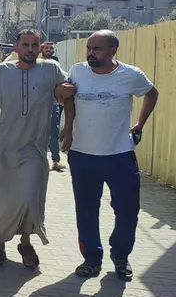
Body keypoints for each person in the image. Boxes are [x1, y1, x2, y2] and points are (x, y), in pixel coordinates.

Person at [60, 30, 158, 281]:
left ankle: (121, 256)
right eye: (89, 48)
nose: (91, 53)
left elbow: (151, 93)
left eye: (97, 49)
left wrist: (139, 125)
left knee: (127, 210)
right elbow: (66, 98)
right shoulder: (78, 71)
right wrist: (67, 128)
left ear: (113, 50)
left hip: (119, 156)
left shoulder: (131, 75)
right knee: (86, 210)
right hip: (83, 156)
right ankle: (92, 259)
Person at [0, 29, 75, 269]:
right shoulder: (2, 72)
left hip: (34, 148)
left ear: (40, 47)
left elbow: (68, 92)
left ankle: (25, 242)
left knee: (31, 196)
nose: (30, 49)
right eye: (26, 45)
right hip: (5, 148)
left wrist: (69, 126)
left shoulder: (51, 69)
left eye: (35, 45)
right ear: (16, 48)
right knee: (2, 200)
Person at [40, 42, 66, 172]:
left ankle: (56, 161)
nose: (49, 50)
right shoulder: (36, 63)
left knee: (54, 132)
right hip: (38, 104)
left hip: (53, 103)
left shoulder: (56, 64)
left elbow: (63, 80)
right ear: (41, 49)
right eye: (46, 48)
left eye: (51, 48)